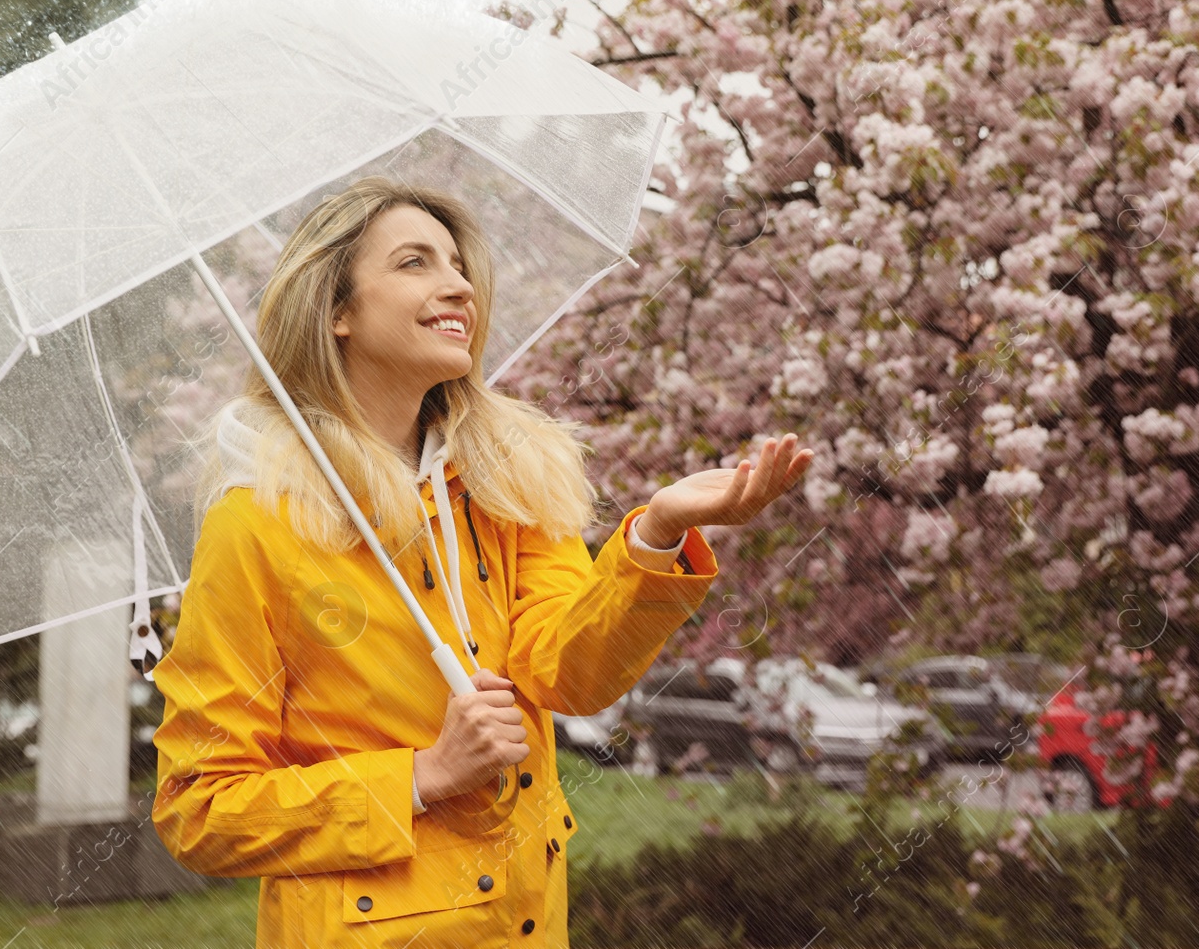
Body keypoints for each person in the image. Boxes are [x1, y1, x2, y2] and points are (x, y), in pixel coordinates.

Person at [149, 176, 812, 948]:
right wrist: (421, 777)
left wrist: (656, 535)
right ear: (338, 312)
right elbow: (199, 807)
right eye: (414, 262)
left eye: (457, 264)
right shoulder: (258, 521)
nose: (457, 283)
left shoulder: (507, 481)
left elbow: (571, 671)